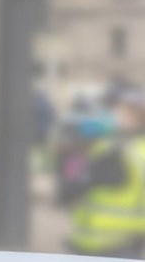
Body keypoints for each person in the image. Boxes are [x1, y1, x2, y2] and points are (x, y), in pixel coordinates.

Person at [68, 82, 145, 259]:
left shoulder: (118, 150)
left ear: (135, 115)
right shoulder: (121, 146)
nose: (116, 115)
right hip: (126, 239)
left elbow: (77, 183)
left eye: (121, 111)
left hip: (107, 241)